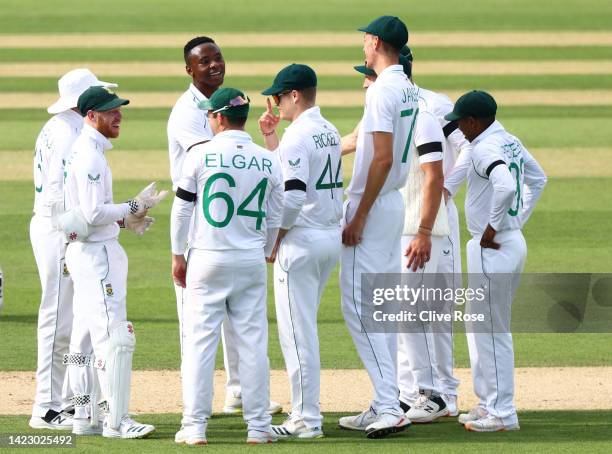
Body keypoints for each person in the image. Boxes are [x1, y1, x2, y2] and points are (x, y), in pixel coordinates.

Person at [167, 36, 281, 416]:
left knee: (239, 321)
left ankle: (239, 392)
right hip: (201, 222)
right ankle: (194, 408)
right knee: (196, 327)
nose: (215, 65)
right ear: (189, 69)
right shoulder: (185, 112)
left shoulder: (225, 104)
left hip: (228, 220)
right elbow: (212, 160)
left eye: (218, 59)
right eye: (205, 62)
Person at [62, 86, 163, 438]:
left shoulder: (86, 150)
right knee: (112, 337)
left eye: (118, 109)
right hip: (97, 255)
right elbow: (91, 212)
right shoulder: (89, 154)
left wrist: (122, 219)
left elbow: (87, 212)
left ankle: (85, 416)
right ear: (91, 116)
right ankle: (117, 421)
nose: (118, 115)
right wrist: (131, 208)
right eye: (109, 111)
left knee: (84, 340)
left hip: (85, 252)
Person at [443, 90, 547, 432]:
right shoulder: (507, 140)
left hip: (494, 247)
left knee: (492, 331)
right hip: (510, 243)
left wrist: (494, 226)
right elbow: (538, 179)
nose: (457, 128)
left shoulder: (486, 148)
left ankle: (504, 414)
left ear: (473, 122)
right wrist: (515, 222)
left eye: (460, 122)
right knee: (480, 328)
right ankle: (488, 403)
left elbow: (505, 187)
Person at [338, 15, 416, 439]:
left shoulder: (383, 91)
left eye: (365, 39)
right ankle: (383, 399)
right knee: (380, 307)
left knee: (359, 308)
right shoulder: (406, 86)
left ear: (374, 42)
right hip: (393, 204)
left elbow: (382, 158)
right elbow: (365, 143)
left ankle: (389, 404)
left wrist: (360, 214)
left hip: (376, 204)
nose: (362, 45)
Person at [258, 64, 343, 439]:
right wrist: (272, 139)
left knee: (297, 333)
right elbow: (295, 173)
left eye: (278, 97)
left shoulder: (299, 135)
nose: (275, 103)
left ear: (295, 95)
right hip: (328, 237)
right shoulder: (328, 130)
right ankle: (306, 414)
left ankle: (306, 420)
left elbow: (292, 194)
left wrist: (276, 236)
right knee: (302, 328)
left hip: (302, 241)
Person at [29, 69, 117, 431]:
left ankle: (65, 403)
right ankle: (46, 408)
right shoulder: (68, 135)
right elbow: (57, 199)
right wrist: (94, 229)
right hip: (58, 231)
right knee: (58, 318)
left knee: (68, 316)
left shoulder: (59, 127)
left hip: (56, 228)